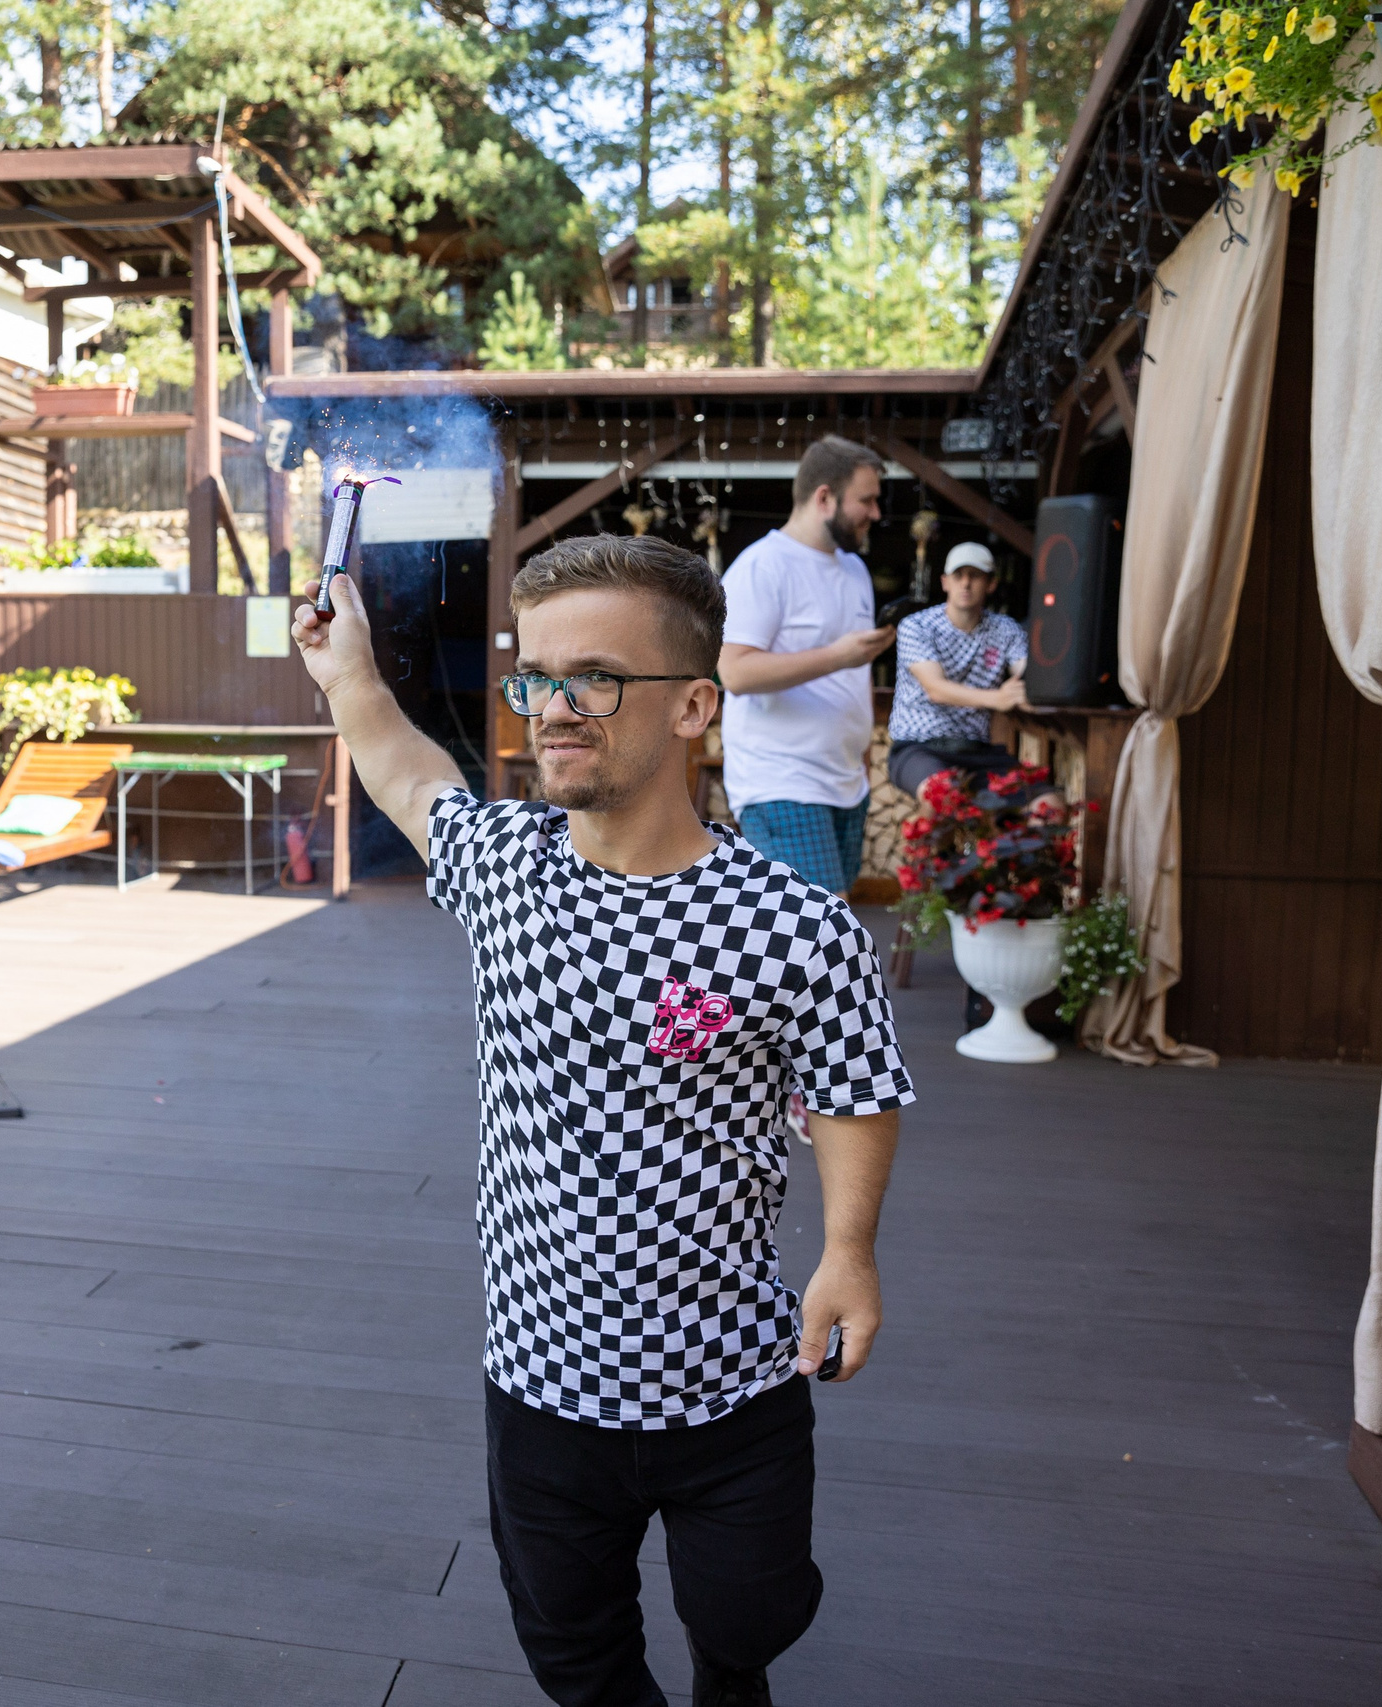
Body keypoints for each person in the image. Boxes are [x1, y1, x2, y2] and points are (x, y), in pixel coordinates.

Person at [293, 532, 912, 1707]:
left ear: (691, 704)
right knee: (574, 1656)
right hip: (539, 1380)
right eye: (537, 678)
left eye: (596, 679)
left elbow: (852, 1088)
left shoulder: (794, 926)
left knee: (750, 1623)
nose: (553, 708)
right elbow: (402, 766)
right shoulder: (504, 868)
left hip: (733, 1376)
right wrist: (348, 671)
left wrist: (847, 1252)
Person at [717, 434, 893, 897]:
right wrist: (841, 655)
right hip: (781, 779)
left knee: (826, 927)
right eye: (867, 500)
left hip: (845, 780)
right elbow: (734, 672)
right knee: (818, 933)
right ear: (824, 497)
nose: (876, 513)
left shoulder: (855, 570)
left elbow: (848, 679)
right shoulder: (762, 567)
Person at [884, 541, 1031, 799]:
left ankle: (996, 840)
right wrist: (998, 698)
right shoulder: (917, 626)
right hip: (918, 746)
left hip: (977, 750)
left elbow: (1029, 673)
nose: (965, 583)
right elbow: (936, 689)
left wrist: (1032, 686)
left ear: (991, 584)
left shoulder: (1006, 629)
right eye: (958, 575)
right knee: (942, 793)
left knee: (1047, 804)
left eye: (974, 576)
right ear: (945, 582)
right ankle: (928, 840)